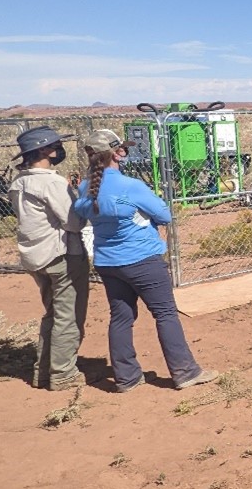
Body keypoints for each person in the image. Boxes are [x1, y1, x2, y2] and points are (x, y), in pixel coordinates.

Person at [73, 129, 213, 393]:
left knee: (121, 317)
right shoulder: (130, 186)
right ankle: (185, 372)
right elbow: (164, 214)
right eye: (122, 148)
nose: (125, 152)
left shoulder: (85, 186)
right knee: (165, 314)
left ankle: (126, 378)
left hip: (108, 263)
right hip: (142, 260)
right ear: (116, 153)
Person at [7, 126, 89, 391]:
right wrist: (75, 197)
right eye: (54, 145)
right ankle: (63, 374)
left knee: (52, 314)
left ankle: (43, 372)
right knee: (69, 317)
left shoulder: (19, 182)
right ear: (43, 149)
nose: (58, 149)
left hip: (35, 257)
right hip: (62, 256)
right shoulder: (51, 182)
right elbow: (74, 222)